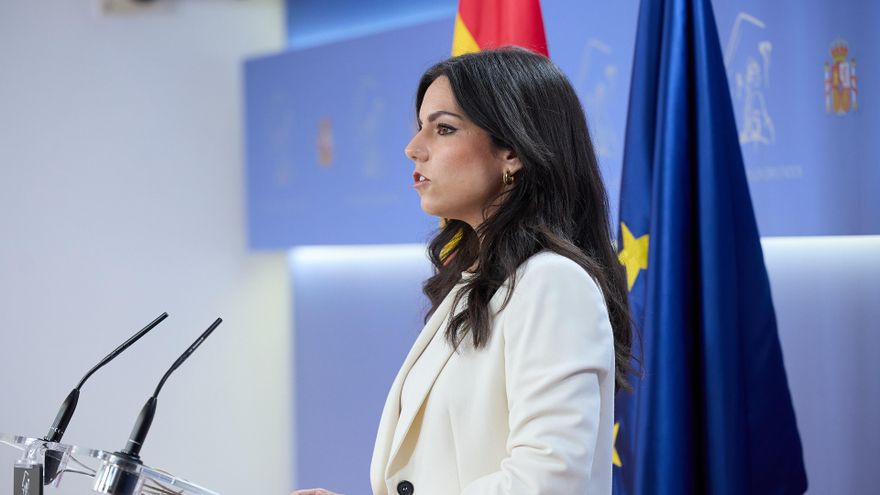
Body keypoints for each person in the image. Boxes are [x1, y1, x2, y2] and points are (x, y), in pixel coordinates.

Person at [294, 47, 632, 495]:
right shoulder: (473, 281)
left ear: (512, 151)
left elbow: (547, 482)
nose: (413, 149)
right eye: (419, 129)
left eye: (444, 129)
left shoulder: (553, 283)